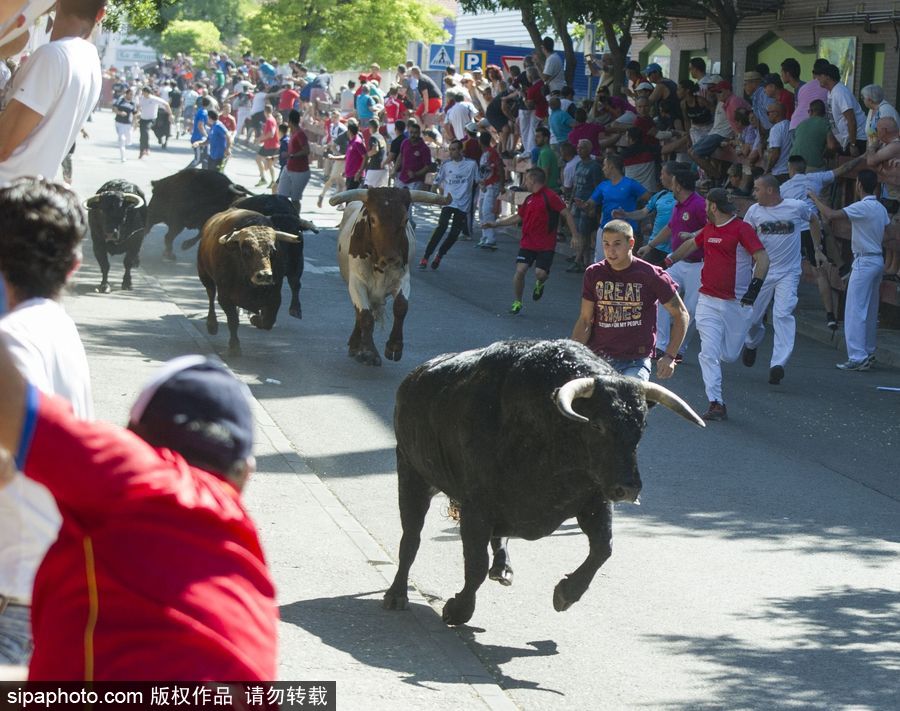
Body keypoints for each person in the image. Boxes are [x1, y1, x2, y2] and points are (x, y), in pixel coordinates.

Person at [0, 345, 278, 680]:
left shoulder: (135, 473)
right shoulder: (252, 576)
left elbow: (10, 402)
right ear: (245, 473)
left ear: (131, 435)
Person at [0, 178, 93, 668]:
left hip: (11, 595)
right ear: (74, 265)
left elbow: (16, 456)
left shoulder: (11, 340)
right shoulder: (57, 325)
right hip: (43, 583)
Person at [666, 189, 770, 421]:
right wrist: (669, 259)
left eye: (706, 206)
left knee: (730, 355)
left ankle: (754, 338)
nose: (704, 210)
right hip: (708, 300)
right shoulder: (709, 230)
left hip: (737, 302)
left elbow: (762, 258)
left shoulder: (742, 229)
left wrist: (754, 288)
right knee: (708, 353)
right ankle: (716, 402)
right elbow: (691, 245)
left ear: (713, 206)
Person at [0, 0, 104, 186]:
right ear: (100, 14)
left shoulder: (53, 55)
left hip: (7, 188)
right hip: (29, 193)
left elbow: (3, 146)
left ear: (56, 5)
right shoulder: (91, 60)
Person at [571, 219, 689, 381]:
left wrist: (670, 356)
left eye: (617, 244)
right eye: (606, 244)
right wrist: (572, 354)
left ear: (631, 243)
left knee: (629, 399)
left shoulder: (651, 275)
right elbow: (585, 320)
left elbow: (681, 314)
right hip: (598, 359)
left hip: (635, 361)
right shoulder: (594, 273)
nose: (611, 250)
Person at [809, 170, 889, 371]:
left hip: (864, 260)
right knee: (870, 309)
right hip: (877, 258)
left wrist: (814, 198)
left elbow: (831, 215)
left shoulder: (862, 206)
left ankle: (857, 356)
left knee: (855, 309)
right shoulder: (880, 207)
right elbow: (886, 230)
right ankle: (868, 351)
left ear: (859, 185)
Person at [738, 175, 812, 385]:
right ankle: (751, 344)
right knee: (752, 318)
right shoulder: (754, 212)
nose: (754, 193)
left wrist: (818, 249)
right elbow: (744, 237)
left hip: (789, 272)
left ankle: (778, 364)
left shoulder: (796, 207)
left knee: (783, 314)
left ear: (770, 190)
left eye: (757, 189)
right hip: (763, 271)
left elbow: (814, 220)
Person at [482, 167, 582, 315]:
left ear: (533, 180)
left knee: (540, 274)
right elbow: (518, 217)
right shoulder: (528, 198)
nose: (524, 183)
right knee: (520, 270)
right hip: (528, 242)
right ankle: (517, 301)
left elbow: (566, 213)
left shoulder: (551, 196)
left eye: (526, 179)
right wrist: (496, 223)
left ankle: (540, 284)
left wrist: (574, 235)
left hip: (546, 244)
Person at [781, 153, 865, 328]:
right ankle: (830, 316)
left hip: (794, 232)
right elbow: (844, 169)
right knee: (820, 271)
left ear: (790, 168)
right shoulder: (815, 178)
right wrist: (863, 156)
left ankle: (780, 308)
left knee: (787, 270)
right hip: (813, 228)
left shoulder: (784, 187)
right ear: (804, 168)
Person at [637, 168, 707, 361]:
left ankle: (679, 350)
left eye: (673, 181)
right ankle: (660, 346)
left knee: (691, 309)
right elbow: (670, 228)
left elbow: (712, 226)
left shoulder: (700, 204)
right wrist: (650, 246)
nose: (670, 184)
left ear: (678, 184)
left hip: (698, 265)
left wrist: (694, 235)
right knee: (661, 296)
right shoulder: (678, 204)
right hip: (677, 260)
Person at [574, 153, 651, 261]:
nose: (603, 169)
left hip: (625, 231)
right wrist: (583, 205)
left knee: (622, 264)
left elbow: (650, 199)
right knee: (601, 262)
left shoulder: (630, 184)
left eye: (605, 165)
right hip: (605, 228)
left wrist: (643, 217)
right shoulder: (603, 185)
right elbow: (590, 204)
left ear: (611, 166)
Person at [419, 139, 479, 270]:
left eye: (454, 149)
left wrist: (485, 185)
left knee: (454, 233)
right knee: (441, 227)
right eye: (450, 149)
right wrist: (433, 195)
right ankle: (426, 256)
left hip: (463, 204)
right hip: (448, 201)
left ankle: (440, 255)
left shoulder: (471, 165)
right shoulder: (446, 165)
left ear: (461, 150)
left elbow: (478, 181)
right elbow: (437, 181)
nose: (451, 152)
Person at [569, 139, 604, 271]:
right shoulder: (579, 165)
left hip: (587, 204)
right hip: (577, 203)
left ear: (589, 150)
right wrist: (571, 200)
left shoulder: (594, 166)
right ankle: (586, 261)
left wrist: (594, 206)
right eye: (578, 148)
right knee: (580, 232)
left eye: (582, 148)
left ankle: (578, 260)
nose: (579, 150)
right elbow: (574, 185)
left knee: (585, 233)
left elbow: (597, 187)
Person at [817, 63, 867, 156]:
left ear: (828, 77)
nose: (818, 78)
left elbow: (851, 119)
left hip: (857, 139)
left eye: (820, 75)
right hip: (846, 141)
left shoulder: (840, 92)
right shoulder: (830, 92)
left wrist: (853, 144)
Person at [276, 109, 310, 211]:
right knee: (281, 196)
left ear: (290, 121)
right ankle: (283, 216)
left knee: (295, 199)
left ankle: (296, 219)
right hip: (289, 168)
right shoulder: (293, 133)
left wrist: (291, 155)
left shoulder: (300, 134)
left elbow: (306, 150)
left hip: (299, 171)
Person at [476, 130, 504, 250]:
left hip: (492, 185)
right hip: (484, 186)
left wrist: (502, 184)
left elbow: (500, 168)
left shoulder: (491, 153)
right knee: (482, 211)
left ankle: (491, 238)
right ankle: (485, 237)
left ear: (480, 142)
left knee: (487, 211)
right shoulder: (485, 153)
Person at [791, 99, 830, 169]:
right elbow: (832, 146)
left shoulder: (800, 124)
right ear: (824, 113)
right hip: (811, 165)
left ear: (811, 111)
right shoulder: (825, 123)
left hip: (792, 164)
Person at [136, 86, 171, 159]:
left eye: (144, 93)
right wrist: (138, 112)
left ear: (148, 92)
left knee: (145, 131)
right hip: (143, 119)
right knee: (142, 136)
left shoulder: (154, 99)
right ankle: (142, 151)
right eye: (143, 93)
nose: (143, 94)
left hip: (151, 119)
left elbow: (166, 104)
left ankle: (147, 148)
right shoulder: (142, 98)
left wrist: (170, 114)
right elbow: (139, 106)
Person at [764, 102, 792, 181]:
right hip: (790, 170)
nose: (767, 115)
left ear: (776, 113)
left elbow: (775, 153)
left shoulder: (775, 129)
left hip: (779, 172)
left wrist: (767, 170)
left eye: (768, 113)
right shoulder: (790, 124)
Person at [254, 104, 279, 187]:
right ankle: (267, 179)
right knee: (264, 161)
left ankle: (267, 179)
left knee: (264, 161)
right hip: (269, 144)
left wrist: (259, 139)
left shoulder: (269, 120)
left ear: (265, 111)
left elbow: (271, 134)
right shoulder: (272, 119)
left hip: (270, 145)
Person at [112, 87, 136, 163]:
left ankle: (121, 140)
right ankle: (123, 157)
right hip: (119, 123)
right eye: (130, 94)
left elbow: (135, 114)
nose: (131, 96)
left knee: (128, 141)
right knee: (122, 140)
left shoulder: (133, 103)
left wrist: (134, 124)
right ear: (126, 94)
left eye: (132, 95)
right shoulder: (120, 100)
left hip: (128, 124)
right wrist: (120, 113)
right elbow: (114, 109)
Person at [363, 118, 388, 188]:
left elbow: (375, 150)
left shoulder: (373, 137)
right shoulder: (381, 137)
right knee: (380, 191)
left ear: (370, 128)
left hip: (375, 167)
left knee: (368, 189)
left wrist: (367, 155)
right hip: (383, 168)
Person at [343, 120, 367, 190]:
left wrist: (359, 172)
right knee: (349, 199)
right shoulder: (351, 142)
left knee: (351, 199)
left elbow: (365, 156)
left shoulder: (357, 142)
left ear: (349, 131)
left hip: (355, 176)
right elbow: (349, 157)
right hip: (349, 174)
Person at [187, 96, 210, 169]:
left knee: (205, 158)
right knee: (198, 159)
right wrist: (206, 135)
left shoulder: (200, 110)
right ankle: (184, 173)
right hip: (199, 138)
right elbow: (200, 125)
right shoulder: (203, 112)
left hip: (201, 138)